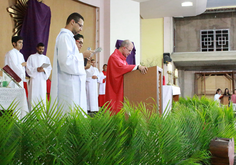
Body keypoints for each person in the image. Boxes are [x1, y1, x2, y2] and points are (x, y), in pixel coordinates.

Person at [50, 12, 92, 114]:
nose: (81, 29)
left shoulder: (69, 37)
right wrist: (82, 55)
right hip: (68, 84)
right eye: (80, 25)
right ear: (72, 22)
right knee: (69, 113)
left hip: (72, 82)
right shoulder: (65, 37)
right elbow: (66, 61)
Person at [105, 40, 148, 114]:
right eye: (129, 50)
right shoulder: (114, 57)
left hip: (122, 89)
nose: (130, 53)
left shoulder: (122, 58)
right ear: (124, 48)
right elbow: (121, 68)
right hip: (115, 90)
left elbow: (126, 68)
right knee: (116, 110)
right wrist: (137, 67)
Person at [26, 43, 52, 111]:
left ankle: (41, 114)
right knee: (33, 95)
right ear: (37, 48)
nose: (41, 50)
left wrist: (44, 70)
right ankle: (32, 111)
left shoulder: (46, 58)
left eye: (42, 49)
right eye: (40, 49)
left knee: (42, 96)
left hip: (42, 80)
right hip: (34, 79)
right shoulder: (31, 57)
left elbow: (49, 69)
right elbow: (28, 68)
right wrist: (36, 69)